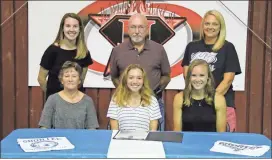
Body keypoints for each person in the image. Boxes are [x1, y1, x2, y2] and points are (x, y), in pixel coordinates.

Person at [181, 10, 241, 132]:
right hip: (194, 105)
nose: (210, 27)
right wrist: (198, 101)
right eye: (207, 24)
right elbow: (187, 75)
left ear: (220, 27)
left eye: (215, 24)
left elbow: (228, 80)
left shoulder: (228, 47)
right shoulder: (192, 47)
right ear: (203, 25)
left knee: (221, 143)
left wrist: (210, 100)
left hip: (222, 103)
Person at [110, 13, 171, 131]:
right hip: (124, 105)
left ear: (147, 29)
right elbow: (114, 77)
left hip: (154, 103)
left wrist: (153, 92)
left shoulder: (159, 49)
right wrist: (124, 92)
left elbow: (166, 75)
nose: (137, 31)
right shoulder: (117, 51)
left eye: (141, 27)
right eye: (133, 27)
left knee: (154, 142)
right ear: (128, 29)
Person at [37, 13, 93, 100]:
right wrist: (53, 98)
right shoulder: (52, 50)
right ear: (62, 28)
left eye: (75, 26)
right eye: (68, 26)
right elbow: (41, 79)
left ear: (80, 29)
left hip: (76, 103)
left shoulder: (84, 52)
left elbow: (80, 81)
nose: (71, 29)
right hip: (56, 104)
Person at [39, 61, 99, 129]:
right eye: (67, 76)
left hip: (81, 139)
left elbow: (92, 129)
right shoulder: (52, 99)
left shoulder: (87, 101)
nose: (70, 79)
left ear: (79, 80)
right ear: (61, 80)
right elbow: (44, 127)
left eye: (74, 76)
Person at [173, 59, 226, 132]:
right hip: (187, 142)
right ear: (189, 77)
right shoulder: (179, 98)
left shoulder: (219, 99)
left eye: (201, 75)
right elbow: (177, 132)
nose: (197, 79)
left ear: (208, 77)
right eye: (194, 75)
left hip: (211, 142)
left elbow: (221, 134)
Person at [107, 64, 161, 131]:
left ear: (143, 81)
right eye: (131, 78)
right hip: (122, 141)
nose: (135, 81)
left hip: (145, 141)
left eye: (139, 78)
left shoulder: (152, 101)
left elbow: (153, 132)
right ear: (125, 80)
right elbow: (114, 132)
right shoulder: (116, 100)